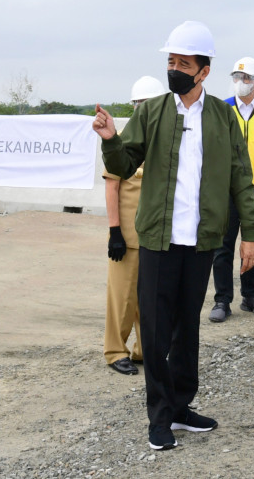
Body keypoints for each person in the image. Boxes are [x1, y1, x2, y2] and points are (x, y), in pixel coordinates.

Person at [92, 21, 254, 451]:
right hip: (157, 240)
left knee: (186, 328)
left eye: (183, 63)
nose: (175, 69)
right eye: (171, 61)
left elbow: (242, 177)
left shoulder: (223, 117)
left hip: (202, 240)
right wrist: (112, 138)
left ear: (203, 71)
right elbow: (125, 163)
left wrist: (250, 235)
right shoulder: (152, 112)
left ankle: (182, 406)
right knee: (154, 327)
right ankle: (160, 417)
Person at [103, 76, 166, 375]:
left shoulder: (166, 141)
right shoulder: (124, 140)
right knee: (122, 297)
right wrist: (114, 230)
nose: (143, 109)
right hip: (127, 235)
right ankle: (116, 351)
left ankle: (144, 351)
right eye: (139, 104)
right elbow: (112, 186)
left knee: (150, 297)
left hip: (156, 233)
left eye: (148, 104)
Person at [209, 57, 254, 322]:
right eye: (237, 77)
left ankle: (251, 297)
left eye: (247, 78)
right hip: (225, 190)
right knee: (223, 246)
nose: (241, 83)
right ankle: (222, 301)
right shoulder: (221, 109)